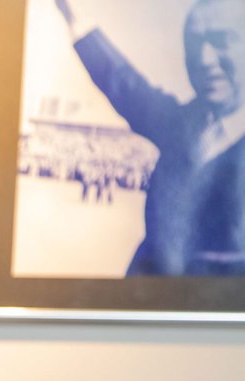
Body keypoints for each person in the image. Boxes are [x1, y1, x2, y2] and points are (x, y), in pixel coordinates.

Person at [55, 0, 245, 275]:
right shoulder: (177, 123)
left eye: (221, 41)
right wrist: (72, 15)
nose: (204, 59)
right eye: (193, 45)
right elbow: (121, 81)